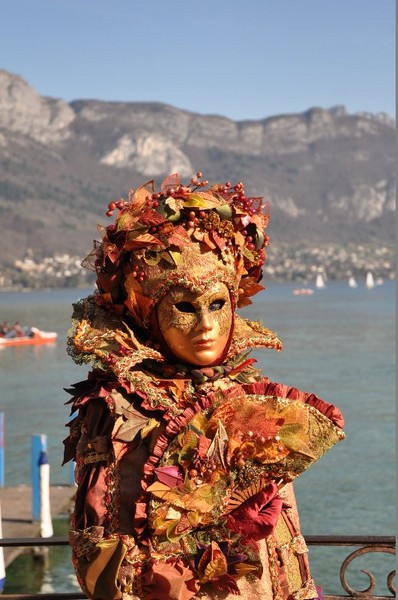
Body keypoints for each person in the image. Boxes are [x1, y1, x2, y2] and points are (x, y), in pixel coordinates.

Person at [64, 173, 345, 600]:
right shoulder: (120, 405)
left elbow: (281, 532)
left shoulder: (251, 391)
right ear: (149, 313)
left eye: (217, 304)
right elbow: (104, 544)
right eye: (184, 308)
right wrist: (223, 532)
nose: (207, 327)